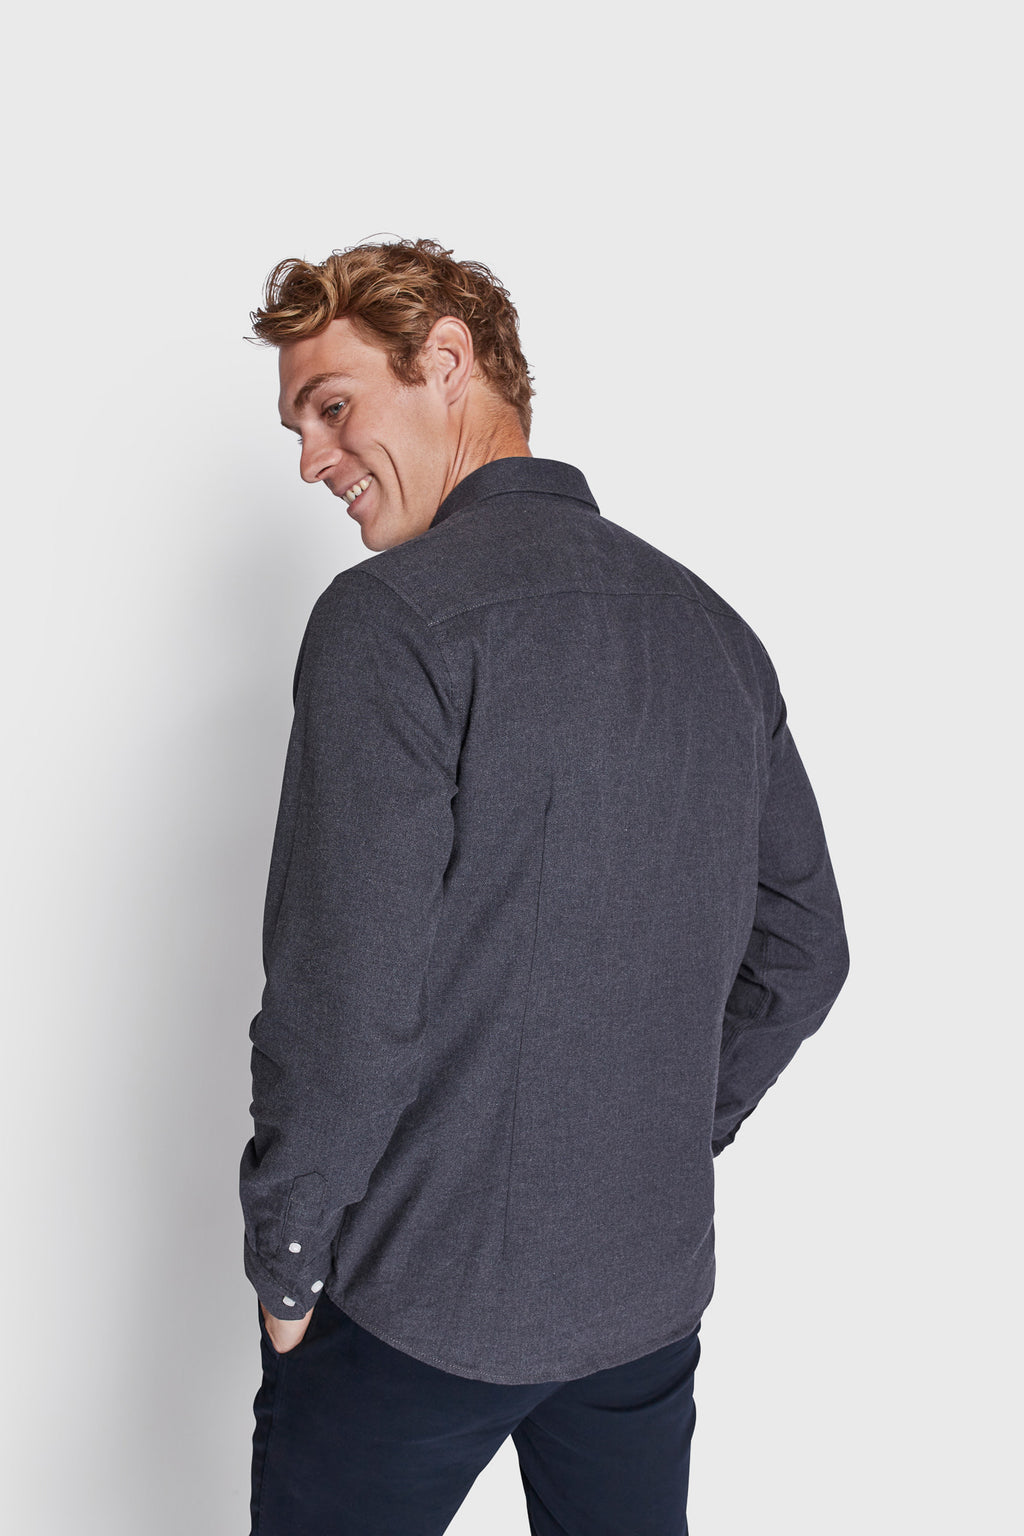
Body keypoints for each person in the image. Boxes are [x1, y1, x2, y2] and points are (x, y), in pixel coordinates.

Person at [239, 237, 850, 1535]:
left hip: (419, 1304)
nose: (310, 459)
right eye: (299, 426)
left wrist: (289, 1256)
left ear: (446, 361)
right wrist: (663, 1134)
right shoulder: (712, 630)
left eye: (332, 406)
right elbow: (804, 950)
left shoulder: (391, 619)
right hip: (644, 1297)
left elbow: (345, 1003)